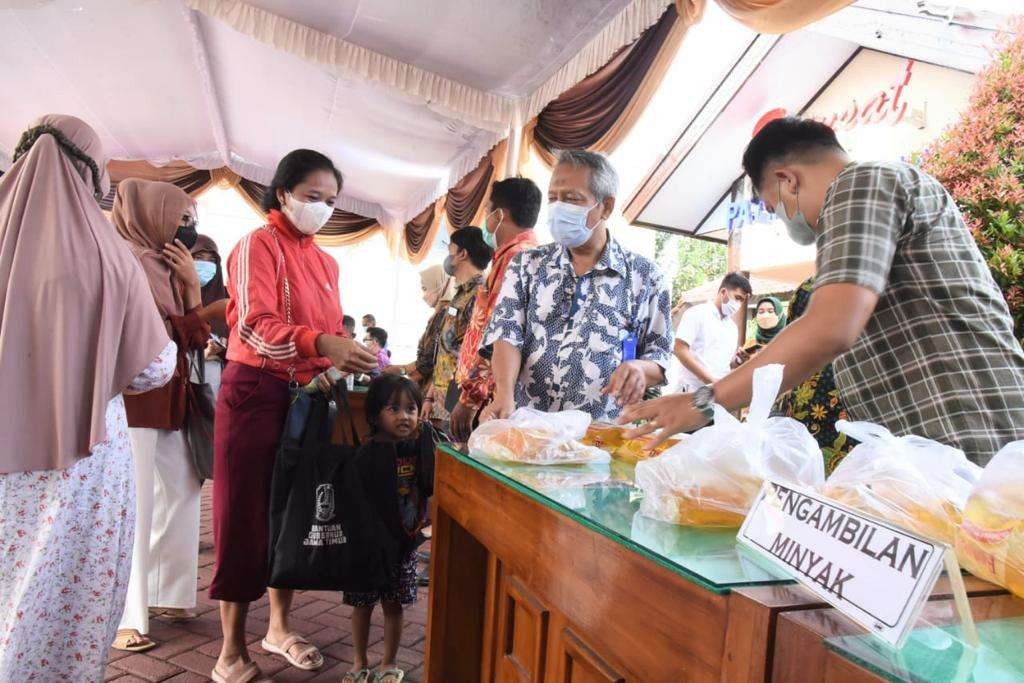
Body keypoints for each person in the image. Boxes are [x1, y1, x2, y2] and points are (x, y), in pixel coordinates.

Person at [622, 117, 1024, 465]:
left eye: (770, 207)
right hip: (937, 443)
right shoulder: (868, 197)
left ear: (787, 180)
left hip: (968, 434)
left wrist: (702, 403)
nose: (781, 220)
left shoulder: (861, 182)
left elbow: (830, 327)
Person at [0, 114, 174, 680]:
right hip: (80, 453)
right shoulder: (107, 254)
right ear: (89, 172)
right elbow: (153, 369)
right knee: (59, 593)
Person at [210, 148, 378, 682]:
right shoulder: (254, 246)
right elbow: (253, 327)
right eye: (312, 197)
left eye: (330, 200)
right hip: (254, 392)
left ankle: (278, 627)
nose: (323, 208)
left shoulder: (326, 261)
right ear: (282, 192)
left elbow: (328, 334)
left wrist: (341, 354)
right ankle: (230, 650)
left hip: (305, 398)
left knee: (292, 512)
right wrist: (320, 341)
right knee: (241, 514)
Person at [480, 150, 672, 423]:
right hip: (528, 429)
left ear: (605, 207)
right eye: (553, 198)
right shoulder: (527, 265)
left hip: (600, 439)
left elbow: (661, 357)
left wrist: (640, 369)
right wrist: (504, 394)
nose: (558, 207)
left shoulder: (645, 277)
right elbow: (507, 333)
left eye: (571, 199)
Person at [111, 179, 212, 651]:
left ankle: (165, 592)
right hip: (132, 398)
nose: (187, 231)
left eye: (192, 221)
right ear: (150, 215)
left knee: (182, 486)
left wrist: (191, 289)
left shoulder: (169, 267)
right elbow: (146, 334)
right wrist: (188, 309)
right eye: (181, 219)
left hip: (173, 395)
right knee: (137, 502)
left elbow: (191, 340)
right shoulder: (122, 260)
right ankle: (126, 615)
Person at [344, 375, 432, 683]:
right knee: (362, 605)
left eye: (411, 408)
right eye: (393, 408)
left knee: (394, 606)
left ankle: (389, 663)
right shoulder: (366, 454)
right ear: (374, 415)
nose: (404, 416)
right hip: (367, 547)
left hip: (403, 545)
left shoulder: (420, 448)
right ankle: (358, 662)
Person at [450, 177, 541, 441]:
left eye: (488, 211)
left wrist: (470, 398)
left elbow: (498, 333)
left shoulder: (516, 259)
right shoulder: (522, 255)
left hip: (490, 398)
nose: (487, 221)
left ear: (499, 215)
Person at [772, 277, 855, 473]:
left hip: (816, 408)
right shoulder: (811, 286)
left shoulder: (812, 285)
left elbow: (790, 346)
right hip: (819, 409)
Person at [425, 227, 492, 426]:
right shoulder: (460, 294)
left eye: (450, 250)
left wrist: (460, 403)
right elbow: (447, 351)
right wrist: (430, 396)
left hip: (457, 399)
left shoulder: (479, 295)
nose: (448, 256)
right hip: (442, 396)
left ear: (462, 254)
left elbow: (472, 357)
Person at [671, 272, 751, 394]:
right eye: (737, 298)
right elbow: (680, 349)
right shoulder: (696, 314)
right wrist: (710, 381)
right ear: (723, 292)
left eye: (742, 301)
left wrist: (738, 361)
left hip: (717, 394)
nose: (738, 304)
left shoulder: (732, 328)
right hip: (691, 392)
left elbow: (726, 364)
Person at [384, 264, 454, 387]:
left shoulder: (445, 314)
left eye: (425, 288)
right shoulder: (442, 312)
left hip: (436, 388)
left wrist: (403, 370)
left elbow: (431, 358)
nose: (424, 295)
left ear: (440, 285)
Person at [193, 234, 230, 396]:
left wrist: (221, 351)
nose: (205, 265)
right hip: (177, 377)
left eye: (212, 261)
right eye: (199, 258)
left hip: (213, 382)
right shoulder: (171, 295)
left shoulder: (226, 298)